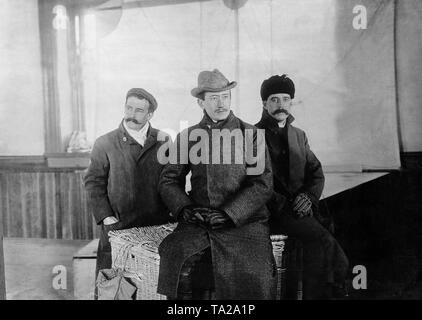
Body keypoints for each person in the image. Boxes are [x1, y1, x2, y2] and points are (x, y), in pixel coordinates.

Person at [157, 69, 276, 299]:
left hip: (244, 222)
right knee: (175, 255)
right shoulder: (188, 136)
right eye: (213, 98)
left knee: (255, 273)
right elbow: (168, 180)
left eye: (225, 96)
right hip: (200, 221)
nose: (221, 103)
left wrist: (230, 214)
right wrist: (186, 209)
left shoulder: (250, 134)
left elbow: (262, 184)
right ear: (201, 102)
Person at [255, 74, 349, 299]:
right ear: (264, 104)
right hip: (271, 211)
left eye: (286, 99)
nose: (281, 105)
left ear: (291, 102)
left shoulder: (299, 135)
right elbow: (256, 182)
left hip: (302, 209)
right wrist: (290, 206)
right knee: (323, 241)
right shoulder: (253, 135)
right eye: (274, 100)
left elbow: (316, 173)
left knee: (326, 237)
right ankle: (338, 287)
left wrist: (308, 197)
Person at [84, 88, 171, 297]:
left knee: (151, 287)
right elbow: (93, 182)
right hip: (117, 226)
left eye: (139, 110)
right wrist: (106, 217)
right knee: (114, 288)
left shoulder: (164, 140)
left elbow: (171, 180)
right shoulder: (104, 142)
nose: (131, 114)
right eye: (128, 107)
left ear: (150, 115)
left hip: (154, 227)